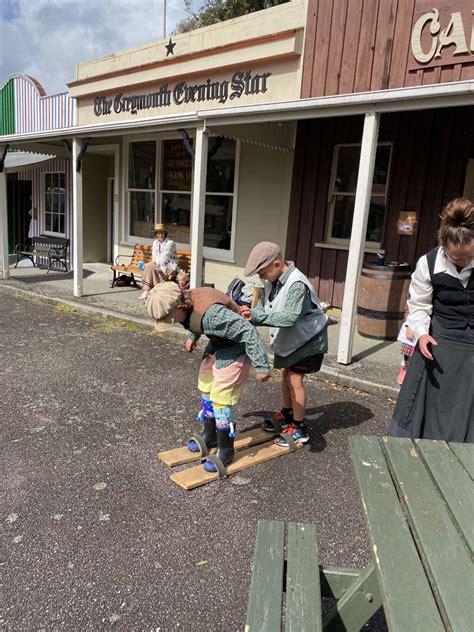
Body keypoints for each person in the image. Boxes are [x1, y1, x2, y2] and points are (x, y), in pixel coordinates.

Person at [146, 282, 271, 471]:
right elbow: (191, 319)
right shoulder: (186, 300)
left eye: (170, 318)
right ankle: (210, 434)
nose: (171, 323)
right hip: (218, 342)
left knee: (221, 398)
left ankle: (225, 449)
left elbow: (248, 330)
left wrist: (262, 365)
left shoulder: (213, 316)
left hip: (236, 346)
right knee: (205, 384)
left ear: (179, 306)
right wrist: (192, 337)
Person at [390, 197, 474, 442]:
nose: (463, 263)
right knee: (423, 414)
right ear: (443, 247)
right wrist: (421, 333)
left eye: (468, 257)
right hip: (438, 340)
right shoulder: (428, 263)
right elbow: (418, 306)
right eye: (456, 259)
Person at [241, 242, 329, 446]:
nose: (261, 277)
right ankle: (288, 413)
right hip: (293, 339)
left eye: (262, 272)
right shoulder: (274, 280)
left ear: (277, 264)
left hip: (309, 339)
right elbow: (264, 309)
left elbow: (289, 317)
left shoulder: (296, 283)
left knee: (295, 379)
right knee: (286, 374)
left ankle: (299, 428)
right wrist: (252, 314)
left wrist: (258, 319)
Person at [139, 223, 178, 299]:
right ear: (156, 234)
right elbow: (154, 256)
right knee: (150, 267)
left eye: (162, 233)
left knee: (149, 266)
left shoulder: (170, 243)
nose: (160, 235)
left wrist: (151, 263)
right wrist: (152, 263)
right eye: (158, 233)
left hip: (168, 269)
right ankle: (148, 291)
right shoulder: (155, 242)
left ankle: (146, 291)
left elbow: (164, 259)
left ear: (165, 233)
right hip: (157, 266)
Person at [396, 302, 417, 385]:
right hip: (413, 324)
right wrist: (410, 324)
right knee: (409, 356)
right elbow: (411, 305)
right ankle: (406, 372)